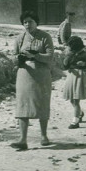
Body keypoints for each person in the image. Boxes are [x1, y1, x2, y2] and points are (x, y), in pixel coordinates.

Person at [10, 11, 54, 151]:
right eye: (25, 22)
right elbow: (13, 56)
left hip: (41, 75)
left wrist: (34, 56)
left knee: (42, 103)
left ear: (36, 22)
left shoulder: (45, 37)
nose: (27, 25)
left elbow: (50, 56)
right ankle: (22, 140)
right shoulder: (19, 38)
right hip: (24, 74)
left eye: (30, 21)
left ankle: (44, 136)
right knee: (22, 106)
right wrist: (19, 58)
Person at [62, 35, 86, 128]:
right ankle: (80, 113)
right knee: (72, 98)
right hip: (72, 76)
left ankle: (75, 121)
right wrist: (66, 59)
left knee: (76, 99)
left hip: (81, 76)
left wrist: (84, 63)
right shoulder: (70, 54)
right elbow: (65, 66)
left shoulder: (84, 54)